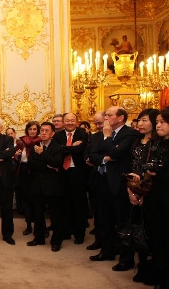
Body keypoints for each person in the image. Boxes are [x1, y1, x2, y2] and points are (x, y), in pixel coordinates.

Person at [89, 106, 139, 271]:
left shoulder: (130, 133)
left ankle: (126, 259)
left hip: (119, 183)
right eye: (105, 115)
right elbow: (93, 155)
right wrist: (106, 158)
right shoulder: (100, 134)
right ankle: (107, 250)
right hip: (101, 180)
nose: (106, 118)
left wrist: (108, 137)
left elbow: (117, 153)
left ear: (121, 118)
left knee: (122, 222)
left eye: (109, 115)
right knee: (104, 219)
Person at [124, 108, 159, 285]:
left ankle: (154, 269)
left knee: (151, 232)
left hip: (151, 193)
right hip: (134, 189)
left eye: (145, 120)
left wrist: (144, 192)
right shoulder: (137, 141)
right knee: (138, 231)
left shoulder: (157, 144)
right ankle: (142, 265)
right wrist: (132, 191)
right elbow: (132, 167)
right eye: (139, 120)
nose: (140, 123)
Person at [143, 108, 169, 289]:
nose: (158, 125)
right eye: (157, 121)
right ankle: (161, 281)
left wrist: (159, 173)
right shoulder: (156, 144)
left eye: (163, 122)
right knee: (157, 240)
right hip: (155, 197)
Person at [27, 122, 65, 252]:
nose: (43, 133)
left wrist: (43, 154)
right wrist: (46, 166)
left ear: (52, 133)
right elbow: (31, 164)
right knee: (38, 214)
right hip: (37, 185)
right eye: (41, 130)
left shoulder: (58, 148)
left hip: (53, 186)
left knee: (55, 216)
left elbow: (57, 163)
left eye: (46, 131)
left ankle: (56, 241)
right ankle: (39, 237)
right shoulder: (34, 146)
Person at [54, 113, 89, 244]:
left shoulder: (83, 134)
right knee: (64, 204)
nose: (69, 123)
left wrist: (66, 148)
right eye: (67, 120)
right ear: (63, 122)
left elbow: (80, 150)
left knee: (79, 204)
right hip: (62, 173)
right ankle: (66, 232)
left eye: (72, 120)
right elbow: (57, 151)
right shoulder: (58, 135)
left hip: (78, 173)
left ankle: (79, 234)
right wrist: (71, 147)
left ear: (76, 121)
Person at [84, 111, 106, 251]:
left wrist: (96, 158)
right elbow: (88, 151)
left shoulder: (118, 136)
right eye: (96, 123)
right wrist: (89, 159)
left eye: (100, 123)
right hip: (97, 177)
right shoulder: (95, 136)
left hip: (112, 179)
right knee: (98, 212)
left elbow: (110, 154)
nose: (97, 126)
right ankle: (99, 240)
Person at [16, 121, 41, 235]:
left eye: (34, 129)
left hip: (35, 172)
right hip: (23, 172)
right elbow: (16, 158)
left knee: (37, 201)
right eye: (30, 129)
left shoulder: (40, 142)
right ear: (27, 130)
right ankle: (28, 226)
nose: (32, 131)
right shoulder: (21, 142)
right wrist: (15, 155)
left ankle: (40, 227)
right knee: (26, 200)